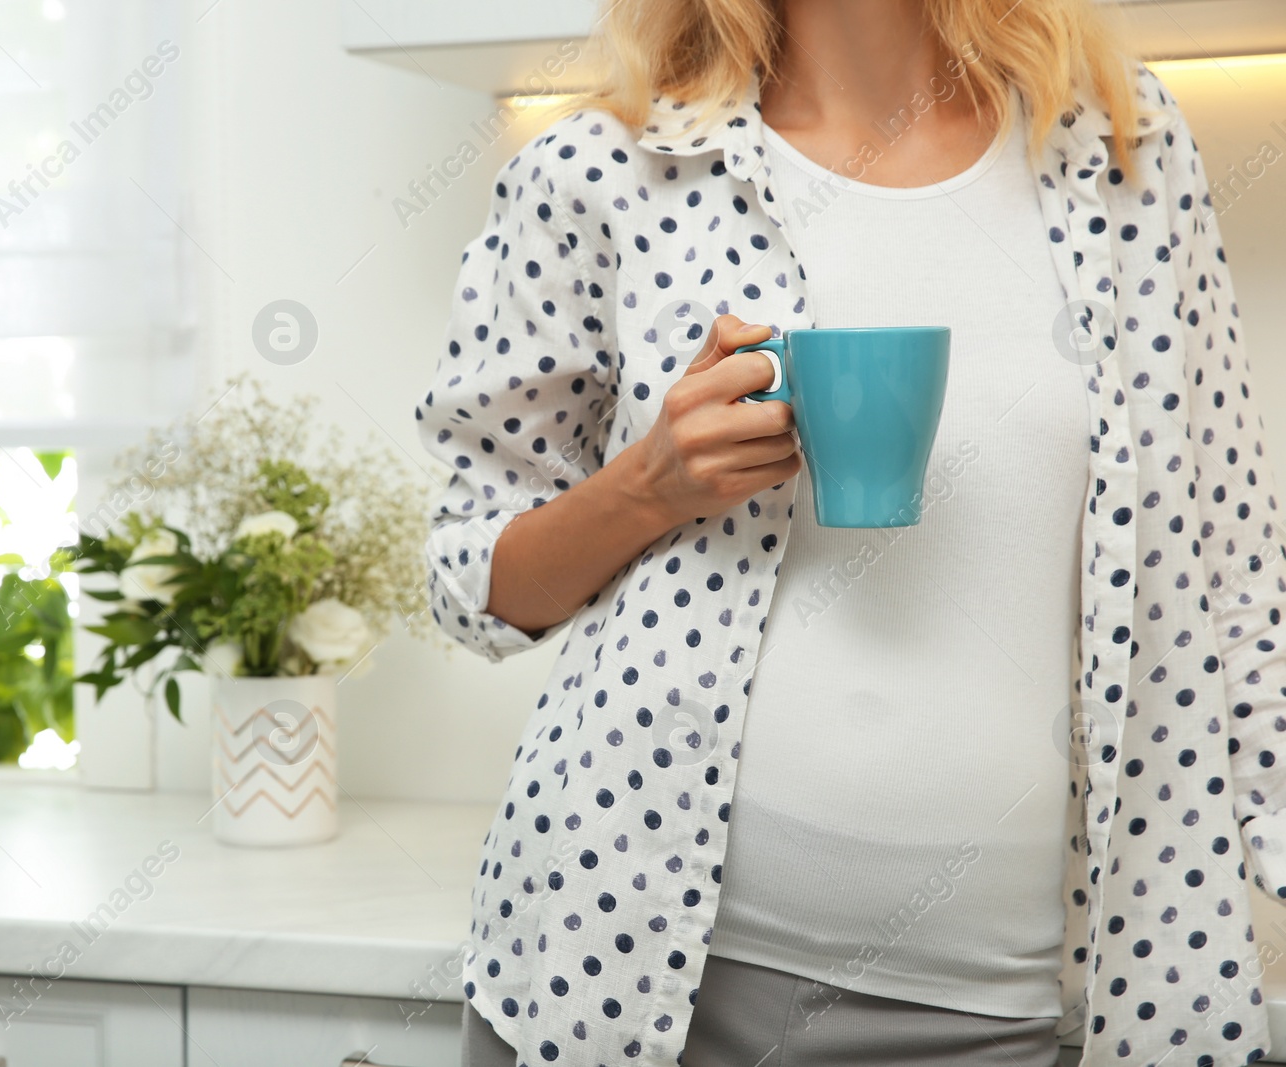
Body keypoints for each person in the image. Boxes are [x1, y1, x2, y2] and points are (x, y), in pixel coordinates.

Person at [413, 0, 1286, 1064]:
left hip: (1011, 1004)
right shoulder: (599, 167)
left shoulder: (1119, 140)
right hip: (633, 972)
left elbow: (1235, 570)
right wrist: (648, 484)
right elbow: (475, 581)